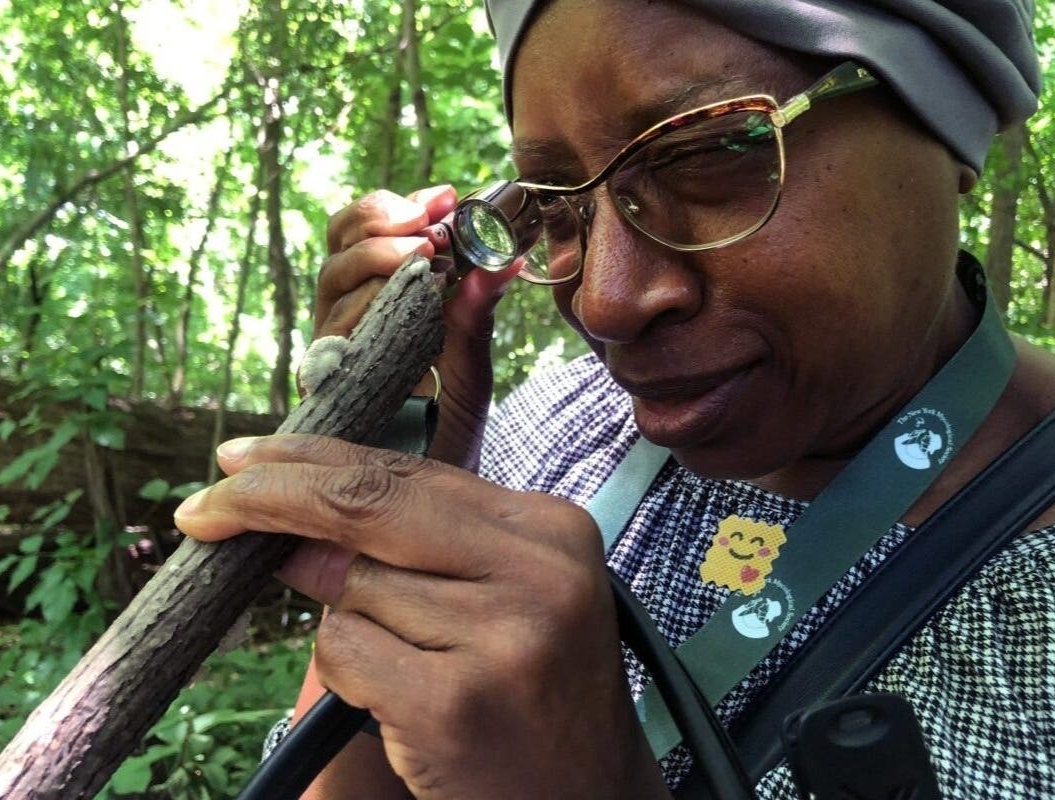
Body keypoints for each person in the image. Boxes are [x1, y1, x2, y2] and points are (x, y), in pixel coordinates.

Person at [174, 0, 1055, 797]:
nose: (605, 300)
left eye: (712, 151)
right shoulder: (556, 433)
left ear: (941, 123)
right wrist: (413, 464)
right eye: (560, 208)